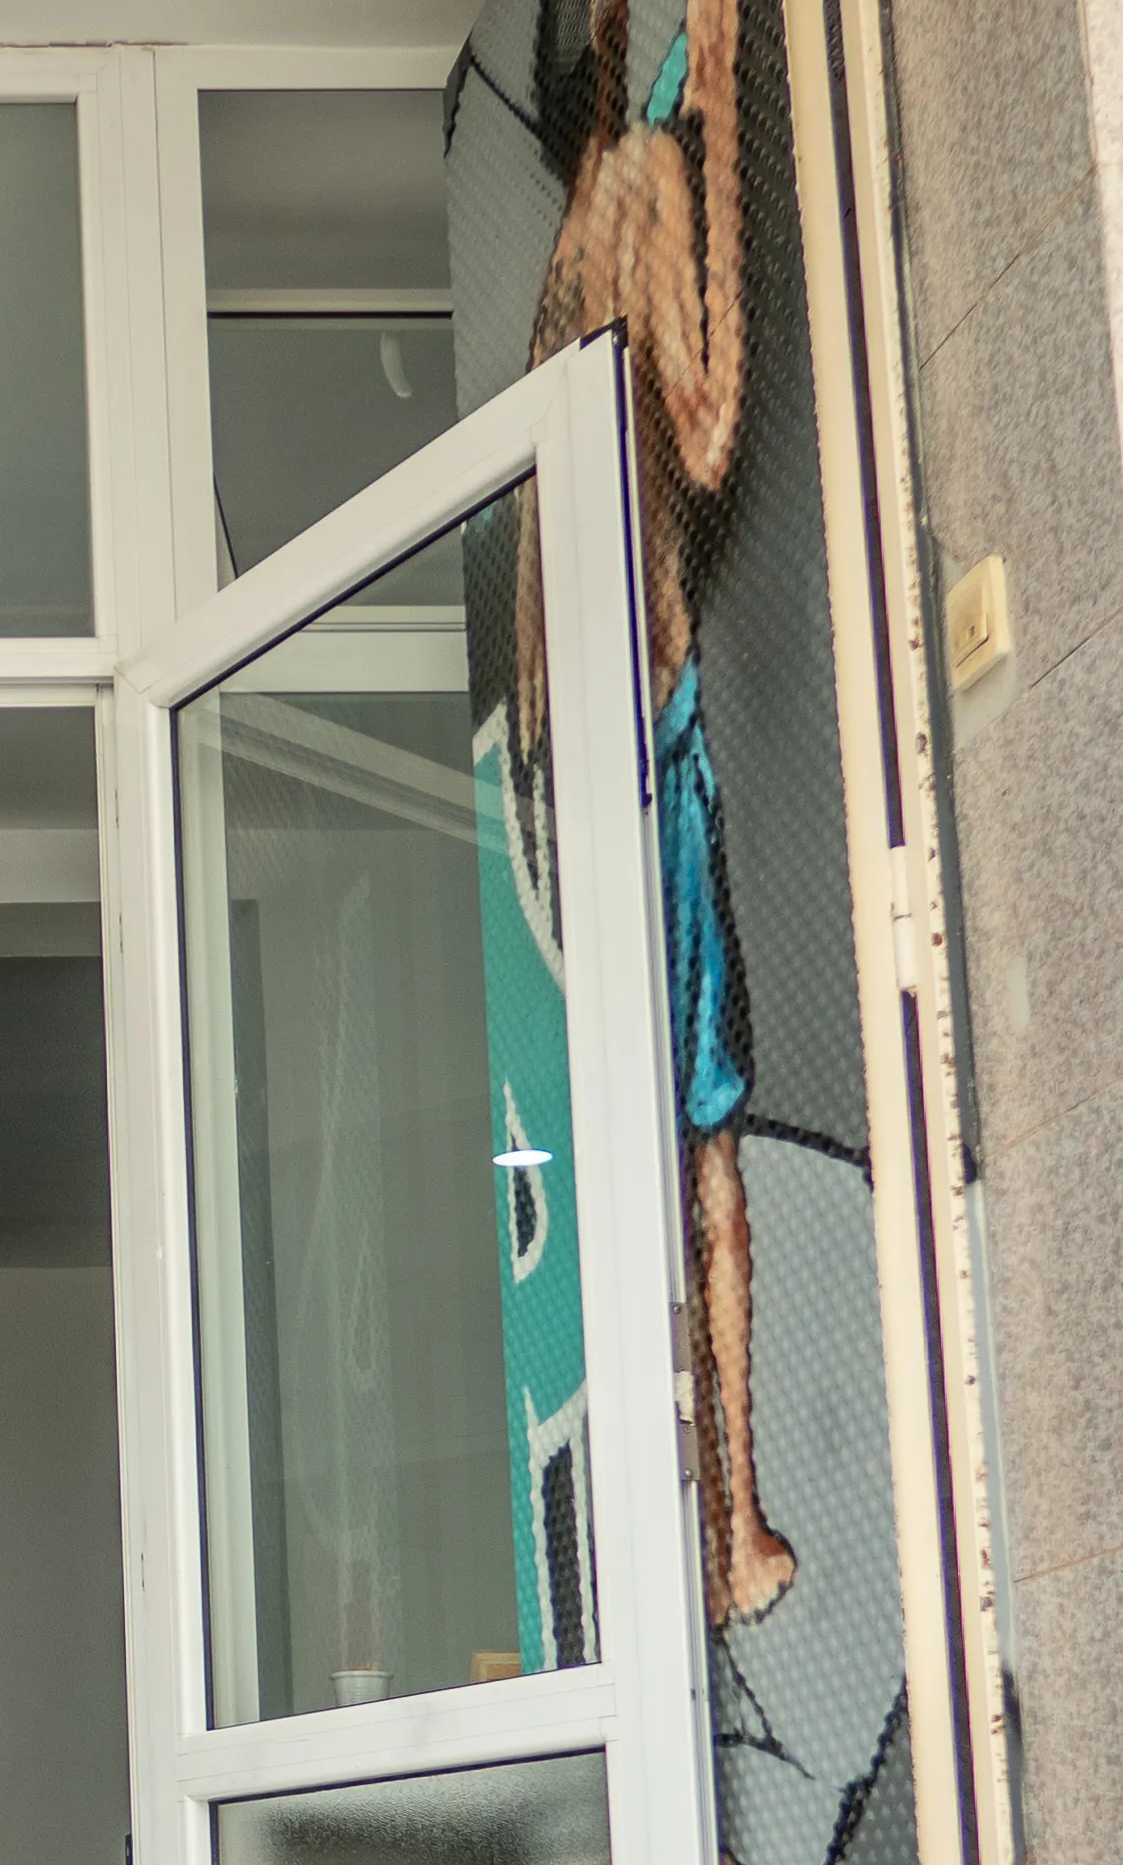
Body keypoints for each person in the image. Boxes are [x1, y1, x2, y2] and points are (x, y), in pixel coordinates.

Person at [517, 0, 790, 1623]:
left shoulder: (556, 262)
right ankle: (729, 1526)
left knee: (630, 1142)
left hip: (575, 755)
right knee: (708, 1150)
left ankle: (664, 1535)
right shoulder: (649, 184)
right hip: (652, 721)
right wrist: (732, 121)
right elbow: (707, 425)